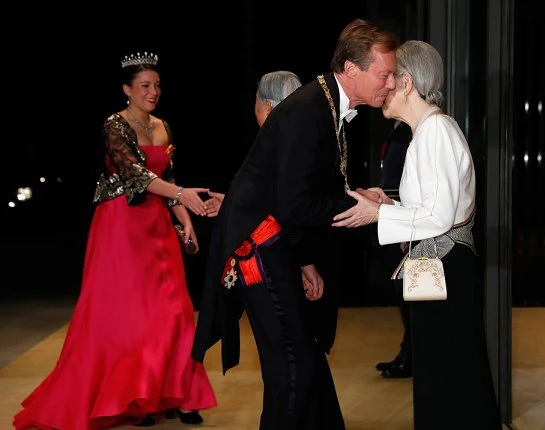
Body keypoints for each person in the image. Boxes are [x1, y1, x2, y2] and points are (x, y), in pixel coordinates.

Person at [192, 19, 399, 430]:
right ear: (351, 69)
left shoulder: (326, 104)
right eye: (385, 74)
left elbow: (303, 189)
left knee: (304, 358)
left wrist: (308, 257)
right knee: (294, 364)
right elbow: (292, 203)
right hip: (256, 250)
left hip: (278, 244)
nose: (391, 83)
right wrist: (354, 202)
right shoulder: (309, 109)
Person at [13, 52, 218, 430]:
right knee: (128, 316)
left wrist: (185, 219)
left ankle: (183, 395)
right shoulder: (114, 125)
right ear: (127, 89)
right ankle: (135, 399)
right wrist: (182, 193)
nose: (153, 92)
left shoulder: (163, 126)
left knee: (174, 310)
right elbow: (135, 174)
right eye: (144, 86)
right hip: (120, 226)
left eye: (156, 85)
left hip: (156, 224)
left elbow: (168, 177)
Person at [332, 40, 501, 429]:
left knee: (449, 377)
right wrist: (389, 205)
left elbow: (439, 217)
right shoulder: (428, 131)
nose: (382, 87)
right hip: (439, 268)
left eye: (389, 76)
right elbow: (433, 209)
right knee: (445, 375)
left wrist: (376, 214)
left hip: (446, 271)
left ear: (406, 82)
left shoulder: (435, 131)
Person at [204, 70, 303, 214]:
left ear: (268, 107)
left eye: (257, 105)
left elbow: (276, 206)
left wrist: (233, 206)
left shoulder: (272, 147)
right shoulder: (306, 140)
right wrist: (230, 204)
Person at [373, 120, 414, 379]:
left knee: (408, 295)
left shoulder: (408, 132)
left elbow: (395, 184)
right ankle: (408, 353)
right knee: (405, 296)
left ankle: (411, 356)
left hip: (403, 225)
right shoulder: (401, 131)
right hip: (399, 222)